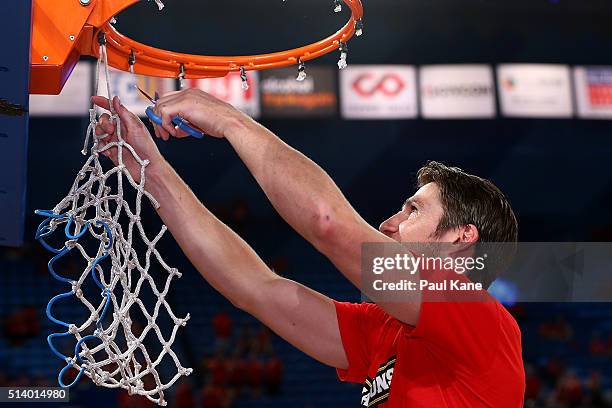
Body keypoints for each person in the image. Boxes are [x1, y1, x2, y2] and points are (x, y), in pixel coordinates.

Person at [91, 90, 525, 407]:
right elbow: (254, 288)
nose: (388, 223)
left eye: (412, 211)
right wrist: (147, 166)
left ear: (460, 238)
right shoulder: (385, 328)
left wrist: (230, 120)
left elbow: (328, 223)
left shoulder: (478, 314)